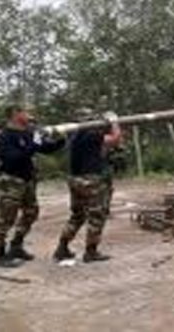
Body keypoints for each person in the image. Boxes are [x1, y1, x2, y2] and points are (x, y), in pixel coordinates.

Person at [0, 105, 65, 268]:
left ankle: (16, 246)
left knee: (31, 213)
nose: (29, 116)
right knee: (6, 218)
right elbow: (13, 158)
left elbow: (45, 148)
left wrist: (60, 140)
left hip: (27, 179)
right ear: (15, 114)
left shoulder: (28, 133)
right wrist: (34, 144)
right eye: (26, 113)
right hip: (11, 180)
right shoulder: (5, 136)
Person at [53, 108, 121, 263]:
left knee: (77, 215)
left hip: (75, 178)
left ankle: (62, 247)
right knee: (97, 216)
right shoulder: (91, 134)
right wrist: (114, 122)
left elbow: (102, 149)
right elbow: (115, 139)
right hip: (90, 179)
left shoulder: (72, 134)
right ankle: (91, 252)